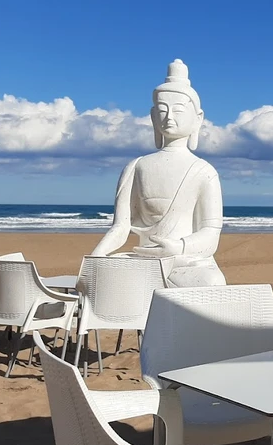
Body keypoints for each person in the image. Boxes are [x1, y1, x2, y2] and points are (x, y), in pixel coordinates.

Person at [92, 59, 226, 287]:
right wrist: (96, 256)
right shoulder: (137, 166)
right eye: (162, 110)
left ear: (198, 118)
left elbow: (211, 234)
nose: (169, 117)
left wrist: (179, 247)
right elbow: (121, 227)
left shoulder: (204, 172)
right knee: (106, 279)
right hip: (144, 260)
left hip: (184, 262)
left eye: (178, 110)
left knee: (212, 281)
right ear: (153, 116)